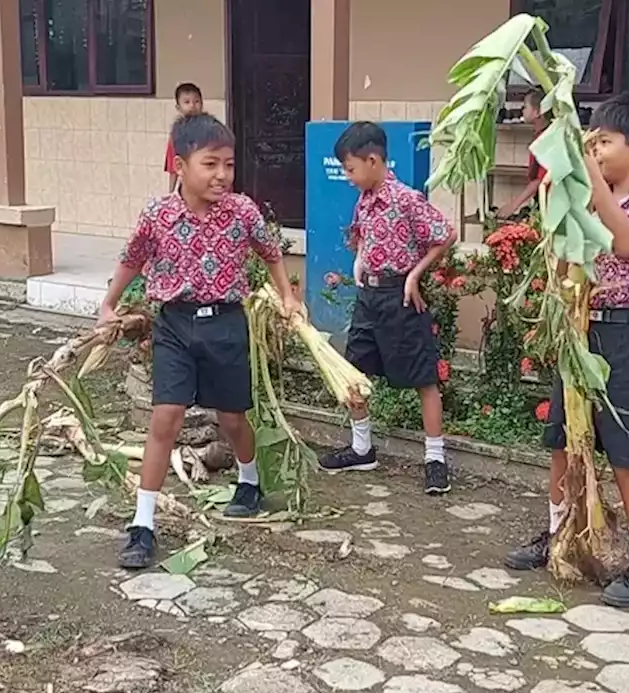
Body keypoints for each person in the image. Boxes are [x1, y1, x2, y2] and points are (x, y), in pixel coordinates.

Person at [503, 93, 629, 608]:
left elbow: (624, 243)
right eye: (593, 141)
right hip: (580, 330)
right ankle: (558, 532)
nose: (596, 149)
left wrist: (588, 178)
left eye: (605, 142)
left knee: (627, 453)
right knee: (564, 440)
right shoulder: (586, 191)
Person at [99, 113, 300, 570]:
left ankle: (249, 483)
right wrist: (109, 303)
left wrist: (288, 296)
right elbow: (133, 258)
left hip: (227, 325)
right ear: (181, 165)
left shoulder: (243, 212)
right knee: (164, 419)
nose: (222, 175)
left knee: (232, 419)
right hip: (174, 325)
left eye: (228, 165)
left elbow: (271, 253)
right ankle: (143, 524)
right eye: (210, 164)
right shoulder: (158, 214)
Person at [317, 122, 457, 495]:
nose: (348, 177)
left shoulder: (406, 198)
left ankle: (435, 459)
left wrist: (414, 276)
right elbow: (361, 234)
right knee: (353, 374)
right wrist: (359, 261)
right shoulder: (365, 198)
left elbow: (445, 234)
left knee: (423, 378)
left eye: (350, 169)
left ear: (373, 160)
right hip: (369, 299)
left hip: (401, 296)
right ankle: (362, 449)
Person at [498, 88, 551, 218]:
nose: (522, 110)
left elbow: (541, 180)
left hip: (550, 200)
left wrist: (513, 205)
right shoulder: (541, 135)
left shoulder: (547, 140)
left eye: (525, 106)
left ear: (537, 112)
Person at [166, 83, 204, 193]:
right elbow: (172, 165)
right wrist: (170, 192)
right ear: (178, 107)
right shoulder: (176, 133)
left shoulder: (210, 129)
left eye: (196, 101)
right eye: (187, 102)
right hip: (187, 186)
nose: (192, 105)